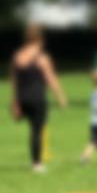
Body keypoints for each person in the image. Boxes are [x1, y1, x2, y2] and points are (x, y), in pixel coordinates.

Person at [10, 23, 68, 173]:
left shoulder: (17, 56)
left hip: (22, 97)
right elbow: (51, 79)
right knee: (37, 130)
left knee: (33, 129)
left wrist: (15, 102)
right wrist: (60, 97)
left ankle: (35, 160)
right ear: (39, 40)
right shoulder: (42, 58)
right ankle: (37, 163)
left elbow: (14, 81)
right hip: (37, 98)